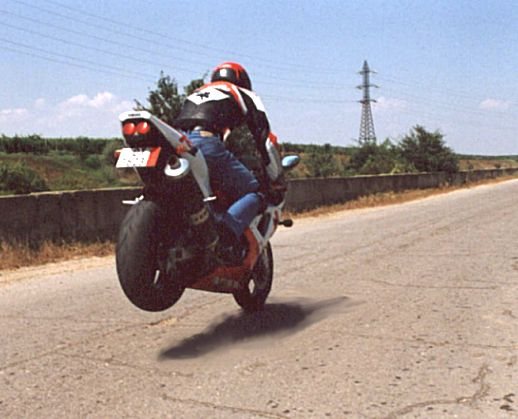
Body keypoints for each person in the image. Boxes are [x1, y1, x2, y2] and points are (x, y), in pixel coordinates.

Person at [174, 62, 281, 262]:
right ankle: (224, 237)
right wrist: (275, 176)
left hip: (178, 144)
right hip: (205, 143)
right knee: (254, 192)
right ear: (242, 80)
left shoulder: (196, 93)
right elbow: (264, 137)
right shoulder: (242, 93)